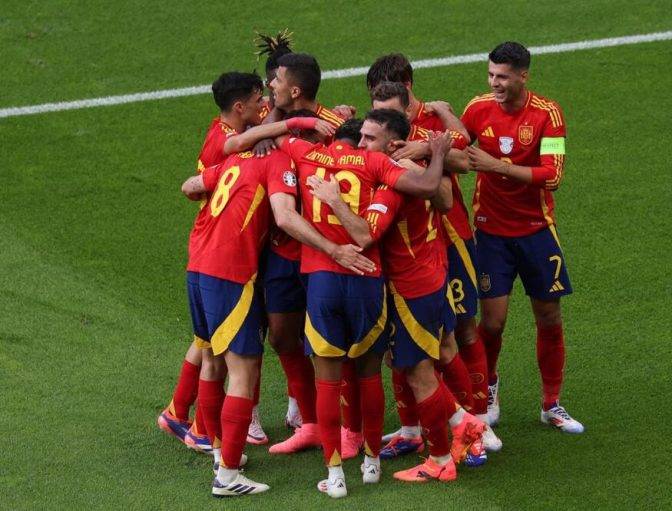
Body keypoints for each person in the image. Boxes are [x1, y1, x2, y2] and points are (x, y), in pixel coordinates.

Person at [180, 115, 374, 497]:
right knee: (243, 369)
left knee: (212, 358)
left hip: (197, 266)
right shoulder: (278, 162)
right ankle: (228, 477)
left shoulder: (235, 160)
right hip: (231, 274)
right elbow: (285, 217)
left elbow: (189, 185)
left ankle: (220, 452)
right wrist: (333, 248)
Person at [275, 110, 452, 497]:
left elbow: (272, 136)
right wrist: (436, 151)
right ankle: (372, 463)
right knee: (372, 373)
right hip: (371, 280)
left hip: (326, 278)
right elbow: (430, 188)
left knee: (329, 379)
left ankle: (336, 475)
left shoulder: (308, 155)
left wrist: (297, 123)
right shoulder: (378, 165)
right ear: (360, 140)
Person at [308, 109, 487, 483]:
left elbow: (364, 235)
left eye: (369, 139)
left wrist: (334, 200)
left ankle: (440, 458)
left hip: (410, 288)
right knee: (419, 363)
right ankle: (464, 423)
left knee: (420, 374)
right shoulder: (415, 168)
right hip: (430, 275)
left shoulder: (393, 185)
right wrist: (431, 152)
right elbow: (445, 201)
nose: (360, 146)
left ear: (391, 143)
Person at [461, 41, 584, 433]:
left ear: (523, 76)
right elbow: (455, 147)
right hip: (491, 233)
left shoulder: (548, 115)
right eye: (491, 75)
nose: (494, 83)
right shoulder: (477, 109)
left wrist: (497, 165)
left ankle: (552, 404)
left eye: (503, 77)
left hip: (536, 232)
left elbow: (554, 175)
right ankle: (489, 386)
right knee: (492, 323)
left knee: (548, 317)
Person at [158, 71, 265, 453]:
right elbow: (244, 143)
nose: (262, 104)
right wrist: (291, 123)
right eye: (257, 99)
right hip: (223, 251)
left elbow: (192, 186)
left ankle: (180, 413)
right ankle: (204, 430)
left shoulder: (217, 128)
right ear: (239, 106)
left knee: (205, 344)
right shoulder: (228, 143)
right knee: (221, 353)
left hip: (204, 245)